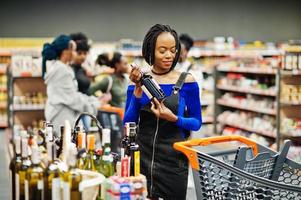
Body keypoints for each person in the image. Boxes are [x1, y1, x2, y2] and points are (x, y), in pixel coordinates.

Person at [123, 24, 202, 199]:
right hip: (141, 160)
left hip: (174, 163)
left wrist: (175, 119)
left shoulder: (187, 81)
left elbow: (196, 122)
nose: (169, 55)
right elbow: (128, 123)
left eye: (173, 50)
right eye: (162, 50)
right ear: (150, 51)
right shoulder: (138, 81)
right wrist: (137, 94)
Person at [42, 35, 101, 135]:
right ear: (66, 52)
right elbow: (73, 98)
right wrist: (94, 105)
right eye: (74, 51)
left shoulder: (60, 68)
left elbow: (72, 93)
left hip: (62, 115)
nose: (75, 54)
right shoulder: (61, 70)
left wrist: (91, 100)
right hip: (62, 118)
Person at [175, 33, 204, 99]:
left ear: (186, 51)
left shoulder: (194, 71)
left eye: (181, 51)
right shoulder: (170, 67)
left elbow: (197, 94)